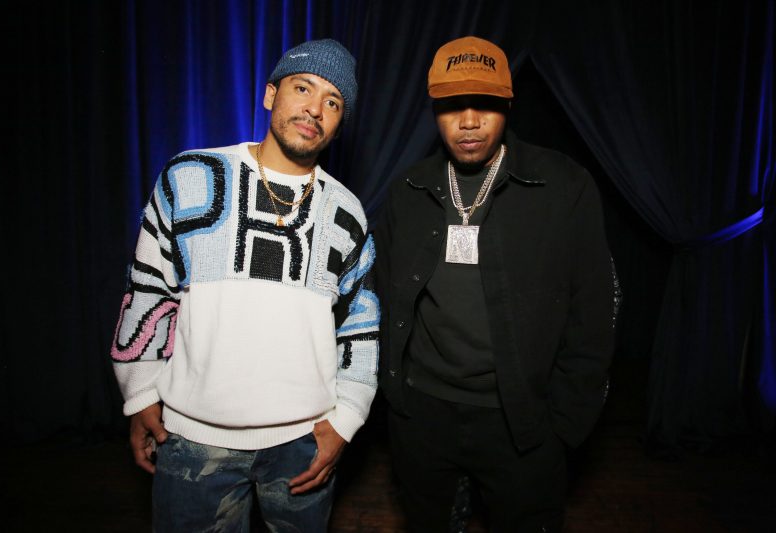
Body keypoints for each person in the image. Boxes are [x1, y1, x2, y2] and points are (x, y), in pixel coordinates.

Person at [110, 38, 379, 531]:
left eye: (333, 102)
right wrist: (141, 393)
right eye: (303, 88)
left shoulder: (347, 212)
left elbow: (361, 324)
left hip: (304, 442)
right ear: (270, 94)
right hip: (191, 437)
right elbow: (147, 288)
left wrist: (346, 421)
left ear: (340, 123)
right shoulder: (191, 176)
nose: (315, 109)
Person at [375, 36, 617, 532]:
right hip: (422, 416)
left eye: (484, 103)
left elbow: (595, 307)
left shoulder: (563, 185)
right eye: (452, 106)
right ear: (434, 110)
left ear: (507, 103)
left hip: (523, 420)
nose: (469, 121)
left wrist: (565, 424)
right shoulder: (408, 190)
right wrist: (395, 401)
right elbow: (379, 297)